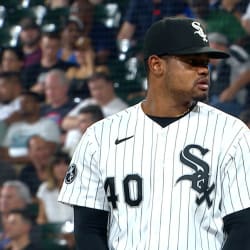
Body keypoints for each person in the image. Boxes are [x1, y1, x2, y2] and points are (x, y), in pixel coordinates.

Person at [58, 17, 250, 250]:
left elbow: (243, 226)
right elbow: (89, 229)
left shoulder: (231, 134)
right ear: (156, 65)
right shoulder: (99, 137)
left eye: (205, 62)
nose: (203, 70)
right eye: (192, 61)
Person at [0, 91, 60, 164]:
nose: (22, 105)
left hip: (36, 167)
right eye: (20, 103)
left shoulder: (49, 125)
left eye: (27, 102)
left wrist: (12, 160)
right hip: (11, 167)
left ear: (37, 105)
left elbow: (47, 153)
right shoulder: (14, 126)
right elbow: (3, 151)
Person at [61, 72, 128, 131]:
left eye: (100, 88)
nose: (97, 93)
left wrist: (82, 122)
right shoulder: (87, 103)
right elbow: (65, 123)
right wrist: (87, 122)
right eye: (93, 89)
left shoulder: (123, 109)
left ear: (110, 86)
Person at [36, 150, 73, 224]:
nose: (61, 168)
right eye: (57, 164)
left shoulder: (80, 188)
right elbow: (42, 218)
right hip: (52, 232)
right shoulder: (44, 189)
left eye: (66, 164)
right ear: (51, 168)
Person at [18, 135, 55, 200]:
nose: (44, 152)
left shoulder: (57, 168)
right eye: (39, 149)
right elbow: (24, 198)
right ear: (29, 153)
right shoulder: (26, 172)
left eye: (46, 148)